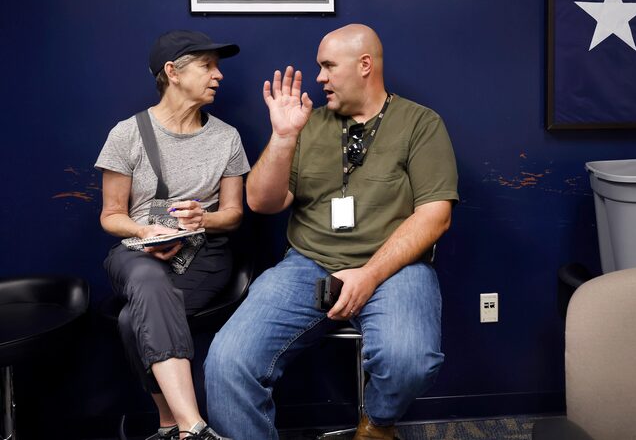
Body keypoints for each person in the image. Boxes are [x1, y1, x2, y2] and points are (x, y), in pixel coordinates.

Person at [204, 24, 458, 439]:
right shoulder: (308, 123)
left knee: (409, 359)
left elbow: (435, 216)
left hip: (396, 268)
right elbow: (262, 203)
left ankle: (377, 425)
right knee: (227, 363)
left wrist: (369, 275)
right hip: (309, 263)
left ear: (363, 65)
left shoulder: (420, 123)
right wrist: (284, 137)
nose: (318, 77)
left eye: (327, 66)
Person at [96, 30, 250, 440]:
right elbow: (111, 216)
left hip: (205, 256)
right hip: (138, 253)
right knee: (147, 279)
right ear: (173, 72)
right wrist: (146, 229)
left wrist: (204, 218)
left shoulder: (226, 138)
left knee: (132, 319)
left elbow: (234, 215)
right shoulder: (126, 134)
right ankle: (194, 427)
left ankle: (170, 425)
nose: (218, 75)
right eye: (207, 65)